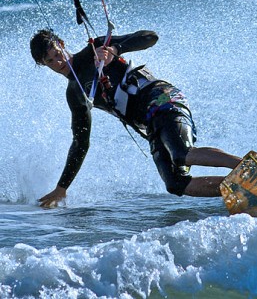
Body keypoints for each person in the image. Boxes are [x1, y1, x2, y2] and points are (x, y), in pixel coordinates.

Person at [30, 29, 242, 208]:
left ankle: (245, 166)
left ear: (62, 44)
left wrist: (114, 50)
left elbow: (150, 37)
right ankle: (241, 189)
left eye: (58, 53)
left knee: (181, 153)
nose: (59, 62)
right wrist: (62, 188)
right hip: (151, 124)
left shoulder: (96, 49)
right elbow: (81, 142)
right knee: (175, 184)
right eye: (50, 61)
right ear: (44, 64)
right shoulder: (75, 94)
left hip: (161, 98)